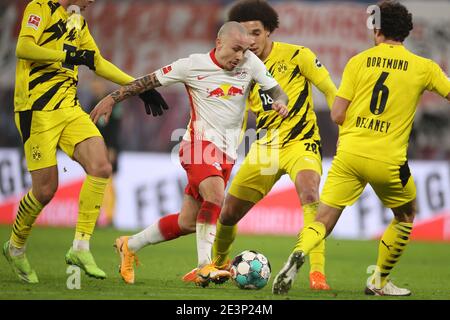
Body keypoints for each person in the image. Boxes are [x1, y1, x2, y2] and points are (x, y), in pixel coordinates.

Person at [90, 21, 289, 286]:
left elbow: (276, 90)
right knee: (216, 195)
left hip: (227, 154)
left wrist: (280, 102)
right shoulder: (192, 65)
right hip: (197, 146)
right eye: (236, 49)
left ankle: (129, 244)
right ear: (219, 43)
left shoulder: (250, 62)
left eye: (244, 50)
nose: (240, 56)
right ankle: (203, 266)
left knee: (187, 222)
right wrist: (112, 98)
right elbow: (147, 81)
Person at [272, 0, 450, 296]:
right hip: (388, 159)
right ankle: (378, 281)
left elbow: (337, 114)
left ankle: (299, 252)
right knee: (406, 216)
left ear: (377, 29)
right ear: (406, 32)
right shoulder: (424, 68)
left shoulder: (358, 61)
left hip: (349, 155)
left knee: (324, 218)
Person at [2, 0, 167, 284]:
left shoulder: (78, 23)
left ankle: (80, 246)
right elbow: (23, 49)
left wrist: (139, 87)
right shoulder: (39, 7)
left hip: (69, 109)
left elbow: (97, 62)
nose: (92, 1)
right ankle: (15, 246)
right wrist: (66, 54)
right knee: (45, 190)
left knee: (101, 167)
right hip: (36, 110)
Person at [211, 0, 337, 290]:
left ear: (269, 31)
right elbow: (239, 115)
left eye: (256, 33)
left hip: (301, 143)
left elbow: (330, 90)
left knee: (309, 194)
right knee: (229, 212)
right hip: (264, 149)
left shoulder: (297, 55)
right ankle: (216, 265)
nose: (250, 41)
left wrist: (342, 120)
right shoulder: (238, 68)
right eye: (243, 35)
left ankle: (316, 274)